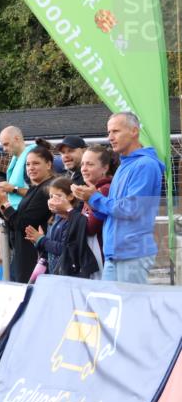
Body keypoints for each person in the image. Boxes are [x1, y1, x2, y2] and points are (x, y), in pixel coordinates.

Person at [72, 112, 163, 285]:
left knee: (132, 310)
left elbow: (132, 208)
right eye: (109, 132)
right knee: (111, 309)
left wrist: (95, 198)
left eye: (115, 131)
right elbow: (111, 210)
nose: (110, 137)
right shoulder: (124, 166)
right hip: (115, 253)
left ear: (134, 131)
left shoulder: (145, 165)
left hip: (132, 254)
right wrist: (88, 199)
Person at [0, 139, 57, 283]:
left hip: (36, 259)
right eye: (28, 164)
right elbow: (15, 221)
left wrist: (3, 203)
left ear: (49, 164)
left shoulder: (47, 189)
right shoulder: (34, 189)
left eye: (36, 163)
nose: (31, 168)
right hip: (23, 255)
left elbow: (22, 223)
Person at [25, 177, 98, 279]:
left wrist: (41, 240)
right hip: (55, 273)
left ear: (70, 196)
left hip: (69, 275)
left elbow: (64, 249)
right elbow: (50, 247)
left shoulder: (73, 219)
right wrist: (38, 241)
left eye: (58, 196)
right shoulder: (56, 218)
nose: (53, 200)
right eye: (51, 196)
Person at [79, 144, 117, 265]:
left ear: (105, 168)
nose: (84, 168)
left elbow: (90, 228)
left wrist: (67, 210)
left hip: (102, 256)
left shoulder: (105, 190)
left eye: (90, 164)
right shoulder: (92, 190)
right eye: (82, 164)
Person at [0, 126, 33, 209]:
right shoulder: (16, 160)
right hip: (18, 214)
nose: (4, 149)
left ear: (17, 139)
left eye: (6, 144)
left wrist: (13, 188)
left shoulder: (29, 161)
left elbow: (38, 194)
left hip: (28, 214)